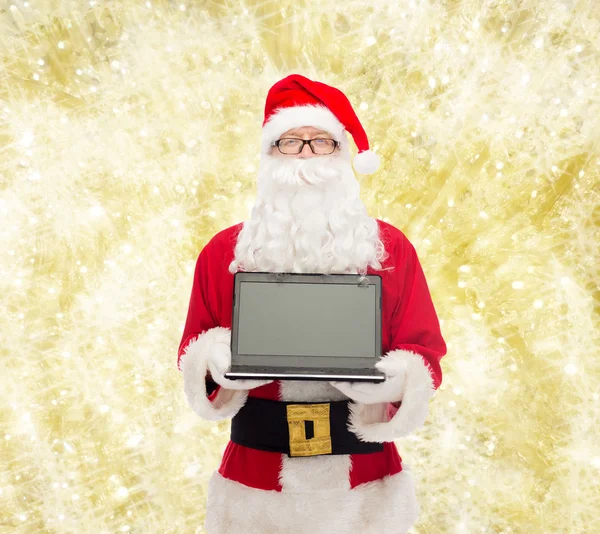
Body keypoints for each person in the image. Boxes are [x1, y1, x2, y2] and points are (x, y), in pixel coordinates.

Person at [177, 74, 447, 534]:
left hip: (363, 484)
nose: (305, 154)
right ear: (268, 156)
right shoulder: (224, 253)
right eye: (289, 142)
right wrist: (221, 361)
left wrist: (384, 381)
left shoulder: (390, 249)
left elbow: (424, 353)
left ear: (343, 155)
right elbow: (194, 350)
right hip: (254, 485)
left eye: (321, 141)